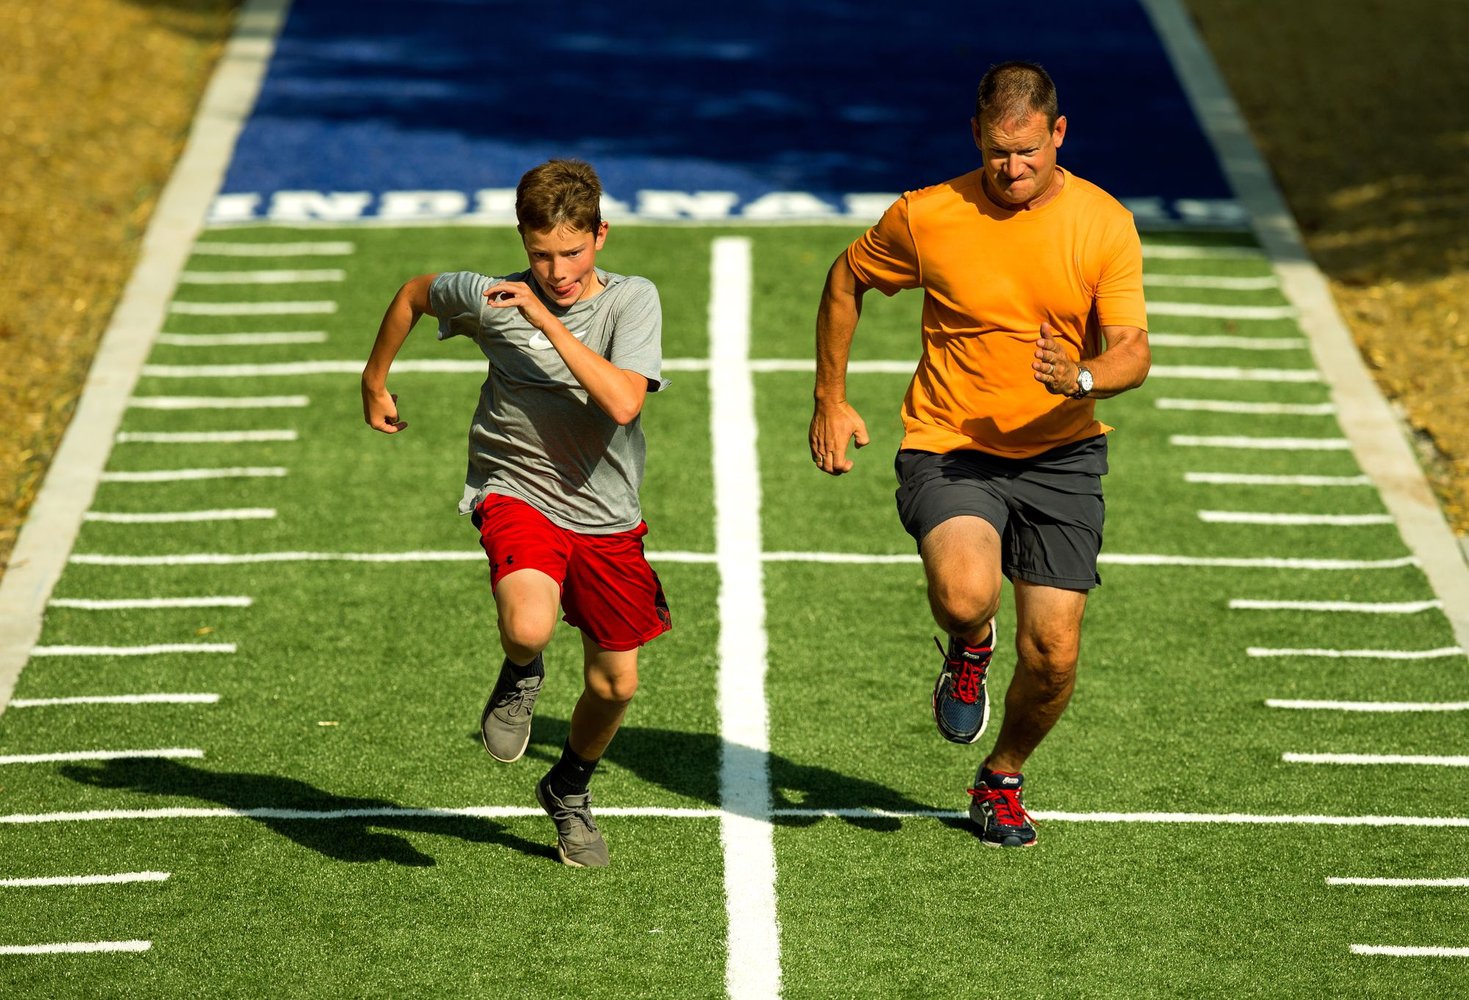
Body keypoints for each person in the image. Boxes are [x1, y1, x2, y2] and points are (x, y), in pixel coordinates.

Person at [808, 61, 1150, 848]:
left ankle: (1000, 777)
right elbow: (845, 279)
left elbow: (1132, 349)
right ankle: (968, 648)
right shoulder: (927, 215)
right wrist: (830, 397)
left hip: (1062, 455)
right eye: (998, 151)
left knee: (1054, 656)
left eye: (1028, 151)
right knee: (966, 598)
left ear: (1057, 134)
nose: (1013, 168)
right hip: (950, 444)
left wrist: (1084, 376)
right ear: (976, 135)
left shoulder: (1103, 223)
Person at [361, 158, 670, 868]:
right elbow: (414, 295)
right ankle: (521, 672)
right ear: (522, 242)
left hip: (607, 512)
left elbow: (622, 402)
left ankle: (568, 788)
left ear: (600, 236)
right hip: (515, 488)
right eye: (540, 255)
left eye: (571, 251)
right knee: (527, 624)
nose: (557, 270)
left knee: (614, 683)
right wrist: (374, 377)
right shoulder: (487, 295)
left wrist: (544, 321)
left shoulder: (631, 302)